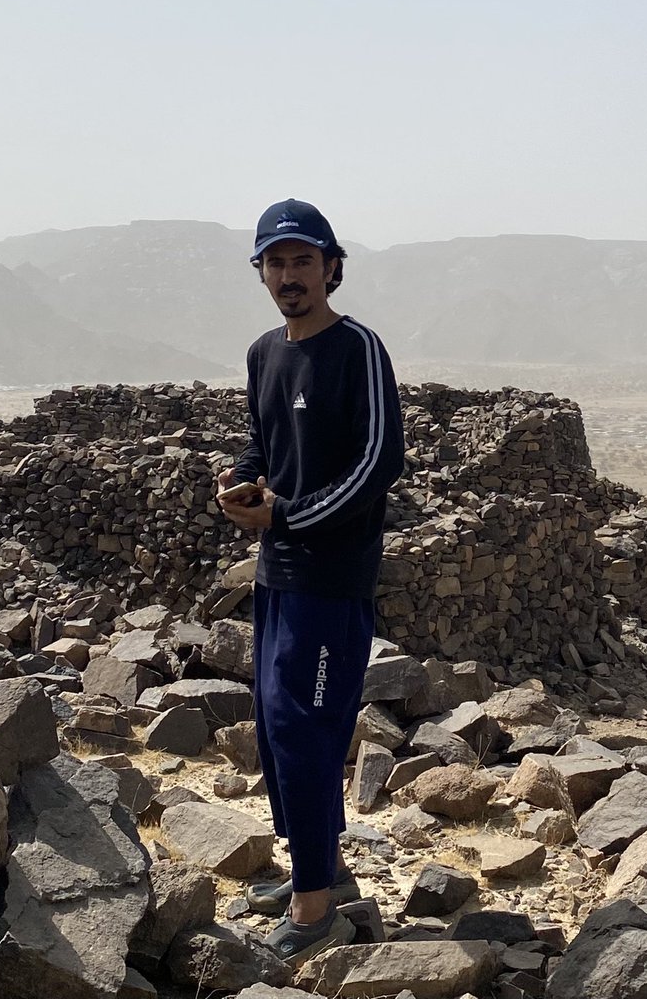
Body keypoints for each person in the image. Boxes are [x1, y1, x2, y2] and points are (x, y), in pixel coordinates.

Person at [217, 198, 405, 966]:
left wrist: (285, 515)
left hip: (331, 578)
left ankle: (315, 908)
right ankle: (318, 868)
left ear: (331, 267)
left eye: (303, 260)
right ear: (261, 273)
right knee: (276, 727)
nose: (289, 275)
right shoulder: (265, 352)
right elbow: (259, 442)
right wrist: (237, 481)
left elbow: (379, 461)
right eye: (276, 262)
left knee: (309, 731)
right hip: (279, 574)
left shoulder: (357, 348)